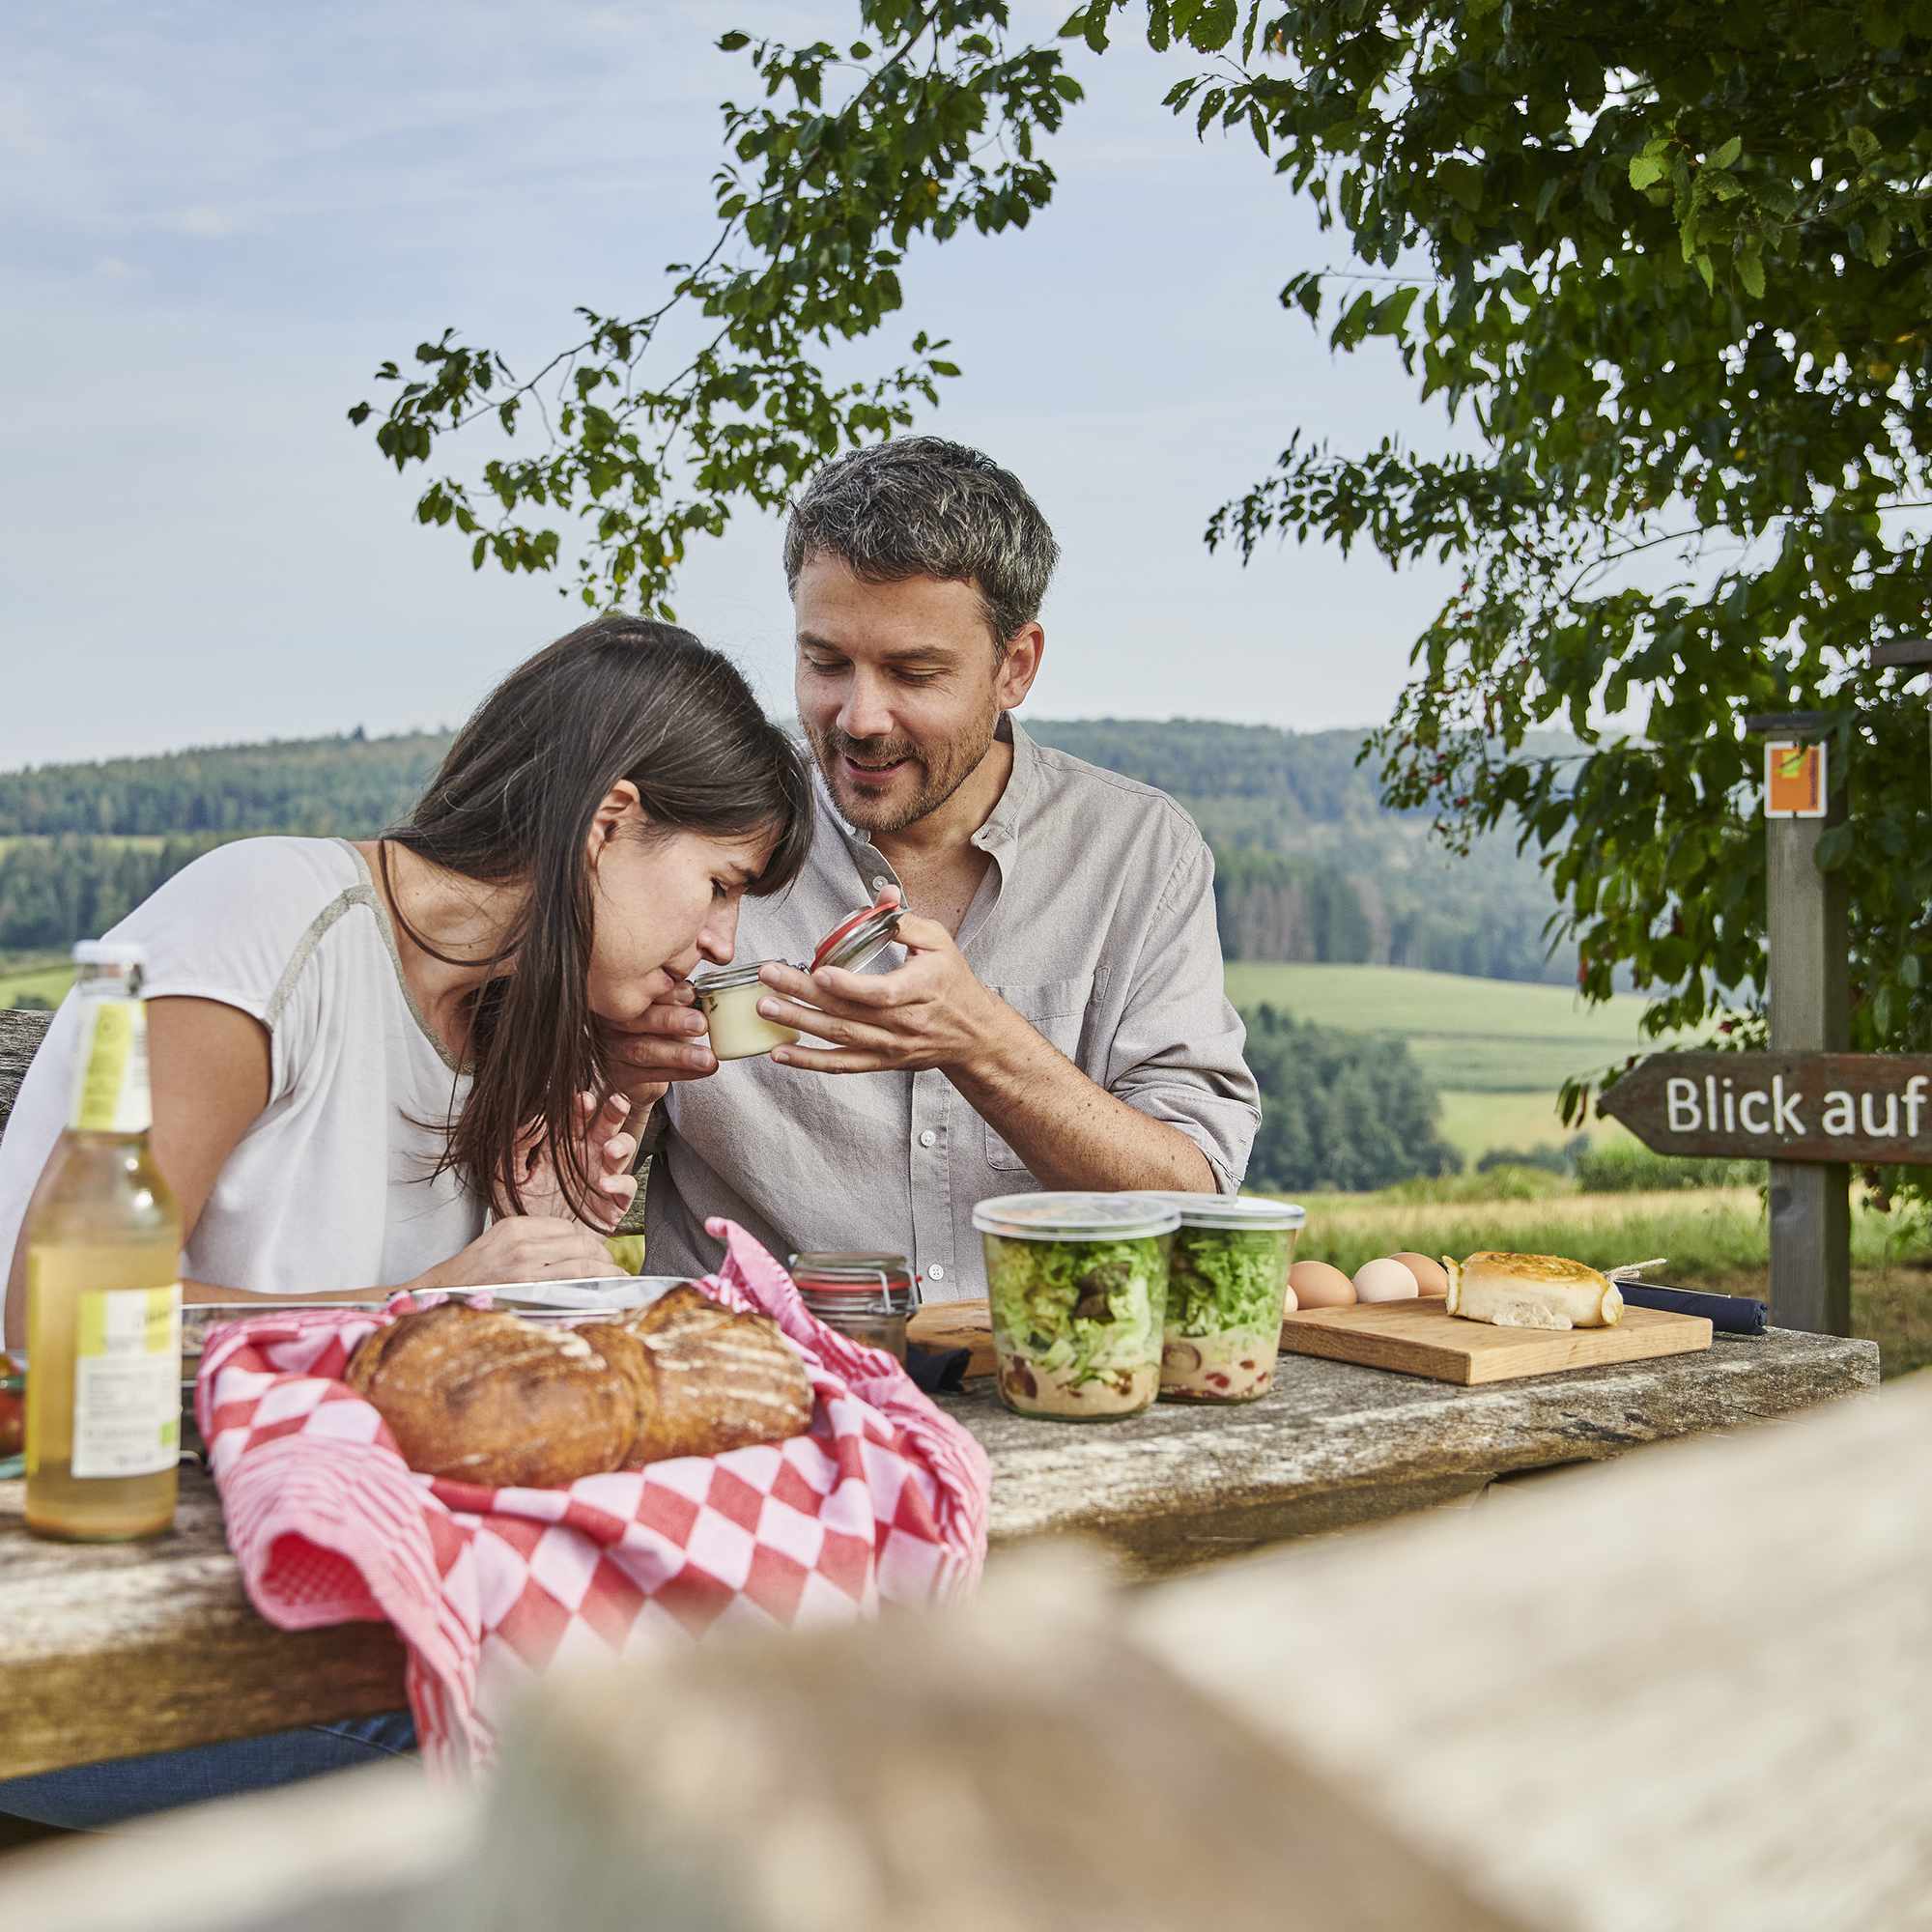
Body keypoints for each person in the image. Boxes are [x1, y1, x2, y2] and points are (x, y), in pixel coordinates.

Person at [0, 614, 811, 1827]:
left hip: (306, 1578)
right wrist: (425, 1302)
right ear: (608, 821)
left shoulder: (495, 1033)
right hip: (91, 1608)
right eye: (719, 885)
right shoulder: (269, 914)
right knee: (598, 1775)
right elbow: (49, 1319)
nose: (720, 946)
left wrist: (544, 1250)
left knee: (731, 1682)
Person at [618, 438, 1261, 1299]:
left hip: (1042, 1389)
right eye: (825, 662)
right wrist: (614, 1077)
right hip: (760, 1384)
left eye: (914, 673)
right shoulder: (695, 825)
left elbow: (1195, 1198)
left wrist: (979, 1041)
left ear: (1016, 666)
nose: (859, 716)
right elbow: (555, 1145)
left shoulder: (1139, 853)